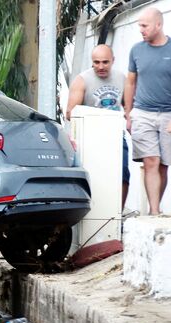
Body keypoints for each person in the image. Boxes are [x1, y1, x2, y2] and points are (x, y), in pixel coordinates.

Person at [124, 7, 171, 215]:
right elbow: (130, 82)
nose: (141, 30)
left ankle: (157, 207)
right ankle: (154, 211)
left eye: (144, 26)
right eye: (139, 26)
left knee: (163, 165)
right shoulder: (136, 50)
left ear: (158, 25)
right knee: (150, 160)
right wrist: (129, 114)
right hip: (142, 113)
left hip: (170, 114)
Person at [66, 44, 129, 208]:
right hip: (91, 136)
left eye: (105, 62)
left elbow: (129, 107)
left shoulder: (122, 79)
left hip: (115, 134)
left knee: (123, 175)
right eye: (97, 62)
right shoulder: (82, 80)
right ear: (92, 62)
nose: (101, 66)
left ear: (113, 61)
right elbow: (70, 113)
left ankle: (118, 215)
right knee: (94, 177)